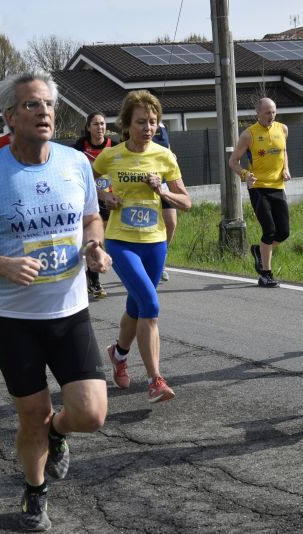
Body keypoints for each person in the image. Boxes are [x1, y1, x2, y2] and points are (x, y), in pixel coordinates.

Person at [0, 71, 111, 532]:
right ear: (9, 117)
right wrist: (2, 265)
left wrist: (95, 245)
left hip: (69, 310)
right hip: (12, 318)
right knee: (33, 415)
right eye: (31, 105)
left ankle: (59, 434)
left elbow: (92, 218)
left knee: (91, 414)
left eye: (48, 104)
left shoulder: (75, 163)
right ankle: (35, 490)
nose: (44, 112)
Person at [93, 89, 192, 403]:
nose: (148, 127)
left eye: (152, 121)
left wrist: (163, 191)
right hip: (121, 241)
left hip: (155, 242)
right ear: (126, 124)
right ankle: (155, 380)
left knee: (136, 306)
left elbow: (186, 201)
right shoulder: (111, 155)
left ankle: (119, 354)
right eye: (141, 122)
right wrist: (104, 195)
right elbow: (87, 182)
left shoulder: (164, 157)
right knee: (149, 303)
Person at [229, 97, 291, 288]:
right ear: (258, 113)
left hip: (278, 186)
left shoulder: (283, 129)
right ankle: (266, 274)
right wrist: (245, 174)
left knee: (283, 232)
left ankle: (259, 250)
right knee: (269, 230)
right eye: (267, 113)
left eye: (273, 112)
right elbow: (233, 161)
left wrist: (286, 169)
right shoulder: (249, 135)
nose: (271, 116)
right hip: (258, 187)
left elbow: (283, 152)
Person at [73, 111, 115, 298]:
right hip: (87, 198)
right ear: (88, 127)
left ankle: (90, 274)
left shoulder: (115, 146)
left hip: (110, 199)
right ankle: (94, 281)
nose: (100, 127)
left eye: (103, 124)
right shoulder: (79, 148)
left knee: (103, 239)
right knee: (94, 240)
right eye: (96, 124)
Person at [151, 121, 176, 282]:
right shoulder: (137, 124)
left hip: (164, 182)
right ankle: (149, 261)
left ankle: (161, 260)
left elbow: (168, 148)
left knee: (171, 222)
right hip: (144, 182)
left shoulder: (162, 126)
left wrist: (172, 155)